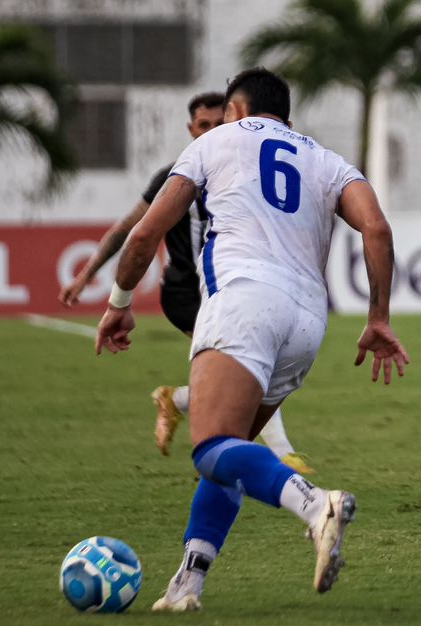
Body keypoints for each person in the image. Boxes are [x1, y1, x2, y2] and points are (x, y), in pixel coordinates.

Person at [94, 68, 408, 610]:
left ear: (235, 110)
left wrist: (119, 304)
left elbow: (146, 233)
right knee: (232, 452)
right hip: (308, 321)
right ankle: (187, 584)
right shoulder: (327, 161)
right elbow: (377, 229)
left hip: (243, 302)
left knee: (213, 448)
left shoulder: (214, 142)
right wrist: (378, 317)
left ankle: (316, 507)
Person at [60, 91, 309, 473]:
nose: (210, 130)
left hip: (233, 286)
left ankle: (176, 401)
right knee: (253, 366)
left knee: (248, 371)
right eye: (203, 125)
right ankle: (281, 455)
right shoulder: (175, 176)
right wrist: (87, 274)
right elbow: (130, 229)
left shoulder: (246, 171)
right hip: (185, 292)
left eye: (217, 124)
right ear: (191, 129)